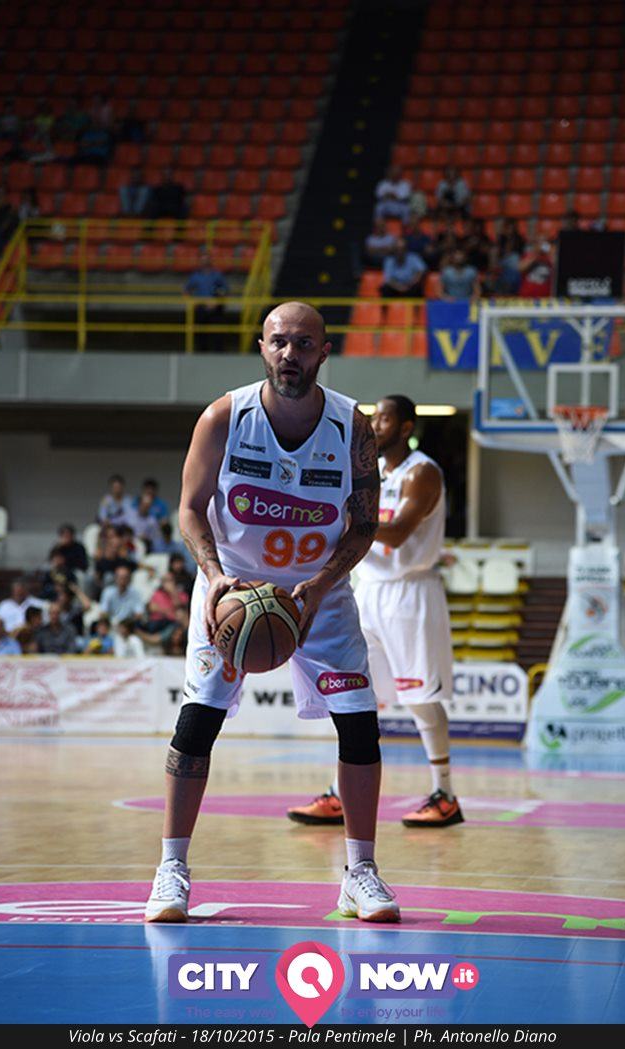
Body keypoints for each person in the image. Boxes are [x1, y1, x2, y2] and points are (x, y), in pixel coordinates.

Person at [145, 300, 400, 925]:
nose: (290, 354)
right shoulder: (224, 417)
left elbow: (364, 524)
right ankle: (171, 868)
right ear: (262, 348)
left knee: (360, 728)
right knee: (197, 724)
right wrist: (214, 578)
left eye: (304, 343)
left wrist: (320, 584)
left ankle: (360, 873)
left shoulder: (351, 426)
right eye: (279, 342)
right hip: (232, 591)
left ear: (324, 351)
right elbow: (190, 508)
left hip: (320, 595)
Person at [288, 396, 464, 831]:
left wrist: (343, 521)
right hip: (368, 591)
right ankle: (339, 793)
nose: (375, 425)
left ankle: (445, 795)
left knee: (420, 699)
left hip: (410, 594)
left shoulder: (421, 472)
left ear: (405, 427)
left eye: (384, 419)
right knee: (355, 695)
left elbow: (399, 533)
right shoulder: (370, 472)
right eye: (373, 418)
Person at [184, 254, 227, 351]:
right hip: (200, 308)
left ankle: (218, 352)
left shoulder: (217, 275)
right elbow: (187, 291)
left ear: (210, 261)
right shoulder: (195, 276)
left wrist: (216, 301)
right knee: (200, 334)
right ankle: (201, 352)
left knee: (217, 333)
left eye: (206, 260)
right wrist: (194, 302)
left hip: (215, 308)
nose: (204, 262)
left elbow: (224, 290)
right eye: (202, 260)